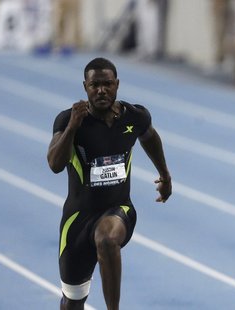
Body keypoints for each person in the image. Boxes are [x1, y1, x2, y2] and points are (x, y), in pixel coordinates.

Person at [47, 57, 172, 310]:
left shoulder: (134, 116)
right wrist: (73, 126)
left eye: (107, 84)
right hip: (77, 220)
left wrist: (165, 175)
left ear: (117, 84)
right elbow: (55, 164)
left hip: (118, 210)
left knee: (106, 238)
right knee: (72, 301)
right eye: (95, 85)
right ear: (85, 87)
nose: (101, 90)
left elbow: (150, 137)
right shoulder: (67, 120)